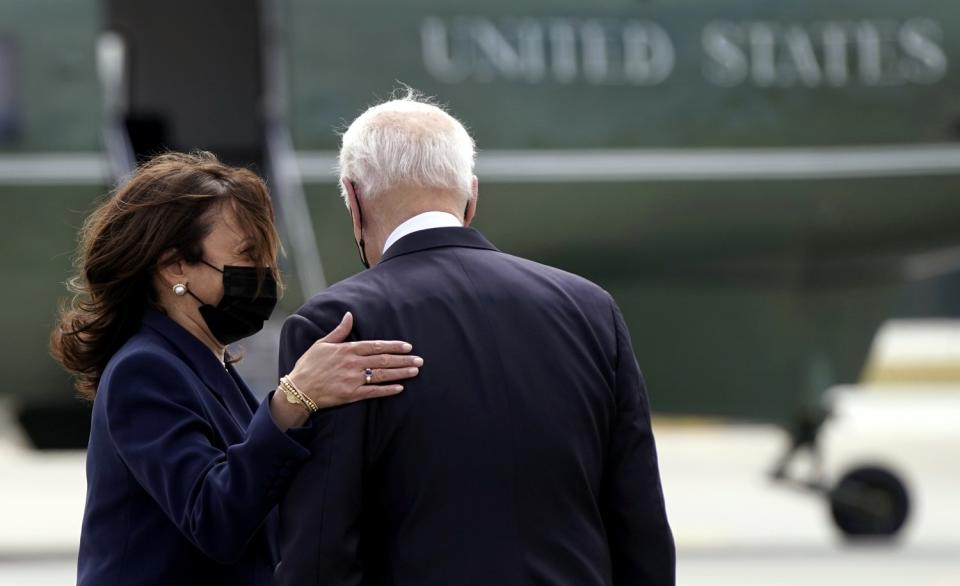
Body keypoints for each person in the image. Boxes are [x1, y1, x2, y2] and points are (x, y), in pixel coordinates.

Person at [275, 92, 675, 585]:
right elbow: (641, 526)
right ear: (472, 195)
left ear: (353, 200)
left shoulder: (336, 326)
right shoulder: (590, 309)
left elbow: (319, 550)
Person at [49, 151, 423, 585]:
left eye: (266, 255)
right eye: (248, 254)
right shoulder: (144, 370)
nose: (265, 272)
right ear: (174, 267)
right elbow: (214, 518)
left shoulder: (204, 364)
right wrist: (294, 399)